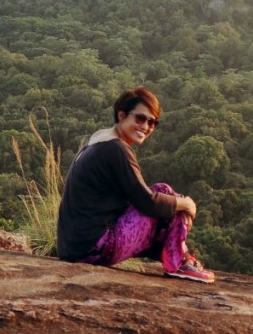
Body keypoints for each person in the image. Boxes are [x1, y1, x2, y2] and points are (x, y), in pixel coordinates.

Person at [56, 85, 215, 283]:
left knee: (164, 197)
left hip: (73, 247)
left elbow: (132, 199)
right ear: (121, 116)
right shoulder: (116, 150)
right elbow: (147, 202)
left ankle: (175, 256)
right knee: (166, 195)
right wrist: (186, 204)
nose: (146, 127)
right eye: (140, 118)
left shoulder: (98, 140)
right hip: (94, 248)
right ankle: (179, 263)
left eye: (152, 122)